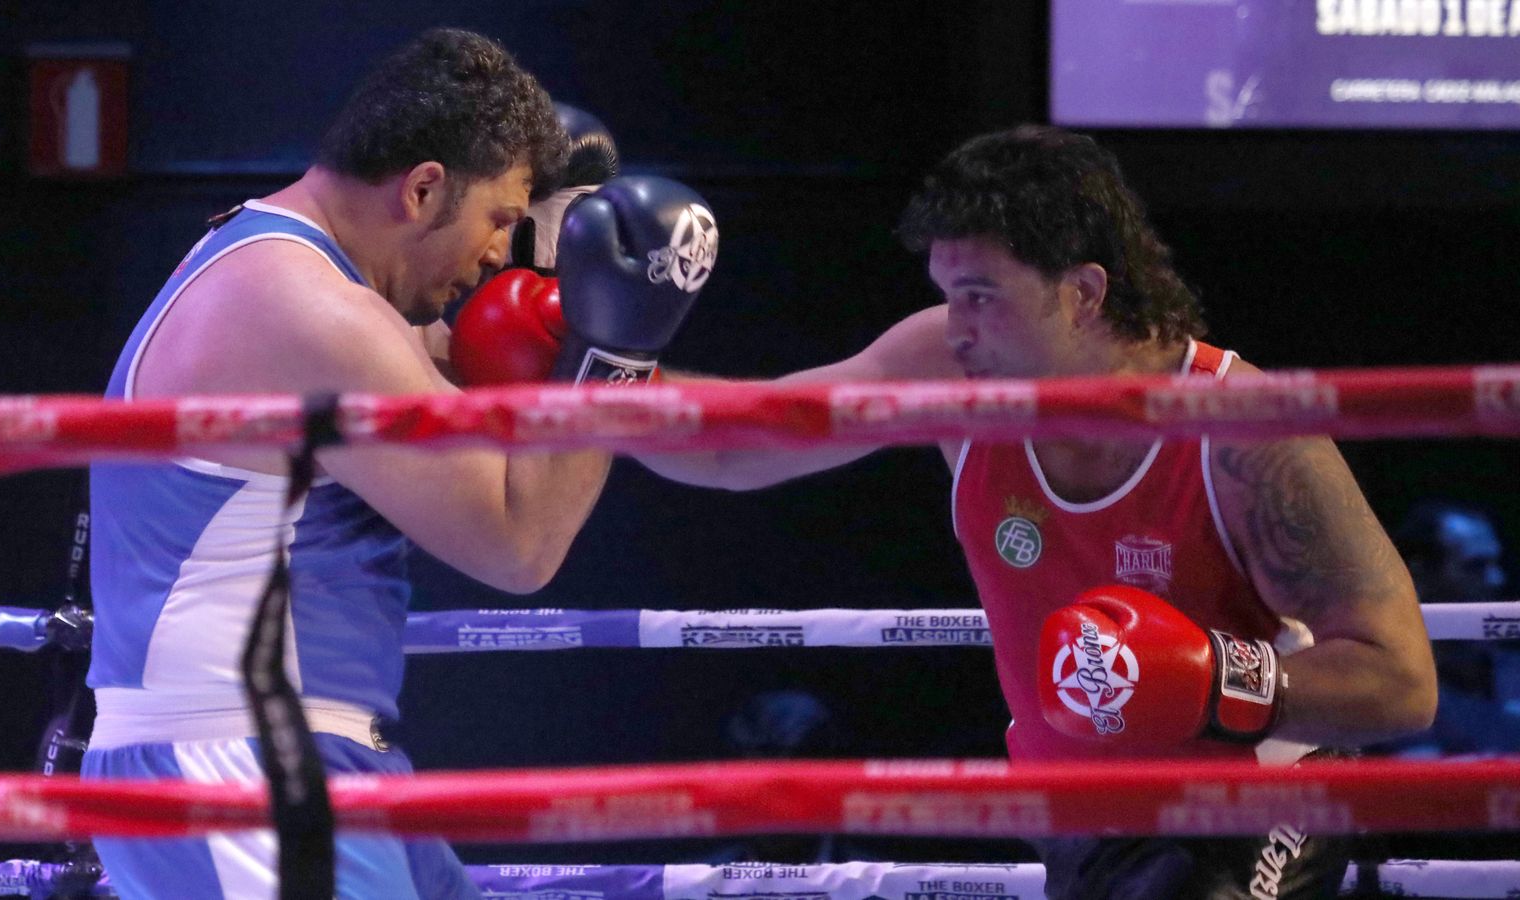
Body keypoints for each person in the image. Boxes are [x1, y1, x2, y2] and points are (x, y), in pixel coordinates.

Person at [637, 125, 1436, 899]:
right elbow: (738, 447)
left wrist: (1215, 680)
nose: (957, 328)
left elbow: (1402, 682)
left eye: (981, 296)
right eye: (949, 295)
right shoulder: (949, 373)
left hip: (1253, 797)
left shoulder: (1242, 433)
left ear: (1083, 293)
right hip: (1079, 817)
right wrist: (597, 367)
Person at [82, 28, 711, 900]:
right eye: (498, 220)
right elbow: (517, 545)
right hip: (240, 767)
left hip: (302, 757)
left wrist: (548, 318)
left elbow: (458, 378)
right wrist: (616, 347)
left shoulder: (274, 260)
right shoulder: (314, 310)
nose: (499, 253)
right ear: (422, 189)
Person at [1380, 500, 1519, 756]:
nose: (1496, 580)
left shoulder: (1515, 673)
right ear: (1420, 573)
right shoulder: (1389, 689)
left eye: (1496, 563)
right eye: (1475, 566)